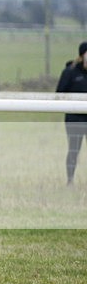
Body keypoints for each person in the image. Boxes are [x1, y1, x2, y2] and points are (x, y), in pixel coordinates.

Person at [55, 41, 87, 185]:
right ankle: (70, 180)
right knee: (74, 149)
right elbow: (60, 93)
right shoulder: (70, 72)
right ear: (82, 55)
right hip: (75, 119)